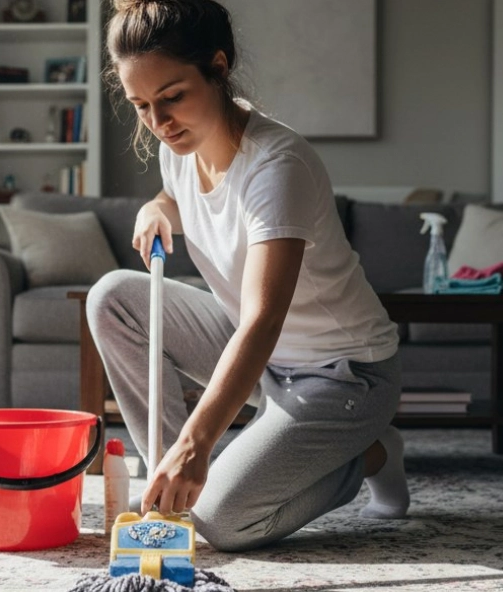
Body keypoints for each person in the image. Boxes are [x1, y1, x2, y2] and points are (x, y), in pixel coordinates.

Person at [87, 0, 407, 552]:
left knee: (222, 521)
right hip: (266, 365)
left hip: (342, 376)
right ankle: (165, 482)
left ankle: (369, 452)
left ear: (217, 65)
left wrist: (199, 445)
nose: (160, 124)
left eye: (172, 98)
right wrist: (159, 206)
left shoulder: (278, 166)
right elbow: (185, 193)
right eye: (141, 107)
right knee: (112, 296)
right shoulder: (178, 148)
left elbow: (262, 321)